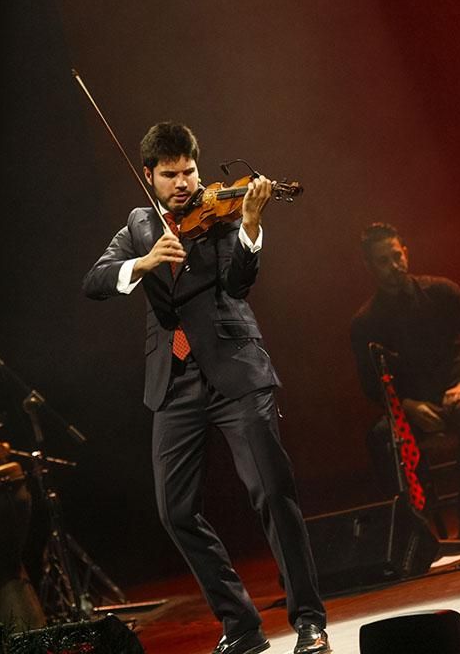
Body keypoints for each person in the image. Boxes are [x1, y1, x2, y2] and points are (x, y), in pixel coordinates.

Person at [83, 122, 328, 654]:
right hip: (173, 384)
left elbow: (238, 283)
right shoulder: (139, 226)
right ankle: (241, 624)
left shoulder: (222, 214)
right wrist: (143, 263)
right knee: (175, 511)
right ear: (149, 176)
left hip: (235, 370)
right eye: (170, 174)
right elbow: (95, 281)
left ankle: (308, 619)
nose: (183, 183)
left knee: (272, 493)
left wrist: (252, 224)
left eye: (189, 171)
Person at [350, 223, 460, 540]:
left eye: (396, 256)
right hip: (413, 405)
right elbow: (368, 382)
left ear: (406, 252)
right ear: (369, 267)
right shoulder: (366, 320)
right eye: (383, 261)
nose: (394, 266)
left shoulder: (440, 290)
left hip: (459, 392)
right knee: (379, 437)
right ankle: (415, 530)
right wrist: (405, 406)